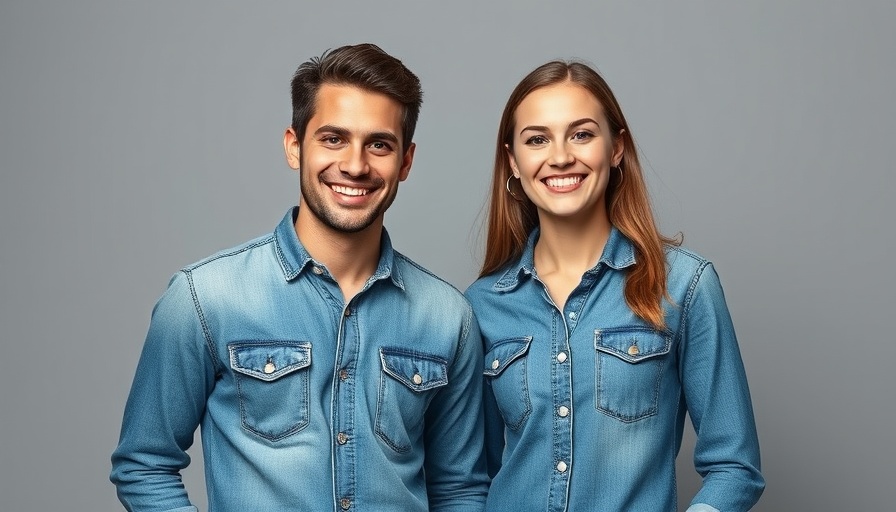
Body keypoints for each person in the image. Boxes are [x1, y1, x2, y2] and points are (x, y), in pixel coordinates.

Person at [111, 43, 488, 511]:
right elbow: (143, 463)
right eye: (333, 139)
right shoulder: (205, 297)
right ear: (295, 146)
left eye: (379, 144)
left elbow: (460, 489)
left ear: (405, 161)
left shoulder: (448, 317)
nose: (355, 165)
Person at [465, 60, 765, 511]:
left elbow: (735, 467)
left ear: (616, 148)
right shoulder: (482, 304)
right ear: (514, 160)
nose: (561, 156)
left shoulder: (684, 285)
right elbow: (471, 481)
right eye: (537, 139)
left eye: (582, 134)